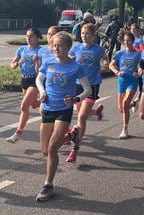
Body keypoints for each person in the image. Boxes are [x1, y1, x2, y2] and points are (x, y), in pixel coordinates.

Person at [35, 31, 91, 202]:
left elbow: (88, 90)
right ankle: (71, 135)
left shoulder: (75, 67)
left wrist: (75, 99)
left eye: (60, 46)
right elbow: (39, 80)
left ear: (68, 47)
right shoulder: (49, 62)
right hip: (47, 107)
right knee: (45, 150)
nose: (56, 48)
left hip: (63, 109)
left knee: (52, 148)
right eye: (54, 45)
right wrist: (42, 92)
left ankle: (48, 185)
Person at [65, 23, 108, 163]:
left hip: (92, 85)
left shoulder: (98, 49)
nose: (84, 36)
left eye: (87, 33)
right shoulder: (76, 47)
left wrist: (106, 63)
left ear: (93, 35)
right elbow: (68, 58)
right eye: (82, 33)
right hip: (77, 85)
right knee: (80, 114)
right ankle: (96, 113)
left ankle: (75, 148)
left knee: (82, 117)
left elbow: (105, 57)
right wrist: (69, 60)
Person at [6, 28, 42, 143]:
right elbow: (12, 64)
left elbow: (43, 68)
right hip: (24, 80)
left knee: (24, 106)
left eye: (31, 36)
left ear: (37, 38)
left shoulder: (41, 50)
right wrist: (17, 63)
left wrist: (37, 61)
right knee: (35, 105)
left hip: (35, 80)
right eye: (27, 36)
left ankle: (18, 133)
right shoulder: (22, 49)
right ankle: (68, 129)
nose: (28, 38)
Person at [109, 31, 141, 139]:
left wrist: (139, 73)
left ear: (133, 41)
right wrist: (117, 72)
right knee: (121, 108)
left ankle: (125, 129)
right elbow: (111, 65)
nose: (127, 42)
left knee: (125, 102)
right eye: (125, 40)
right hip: (122, 81)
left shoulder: (137, 54)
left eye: (129, 40)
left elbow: (141, 67)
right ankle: (134, 104)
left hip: (132, 81)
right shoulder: (120, 53)